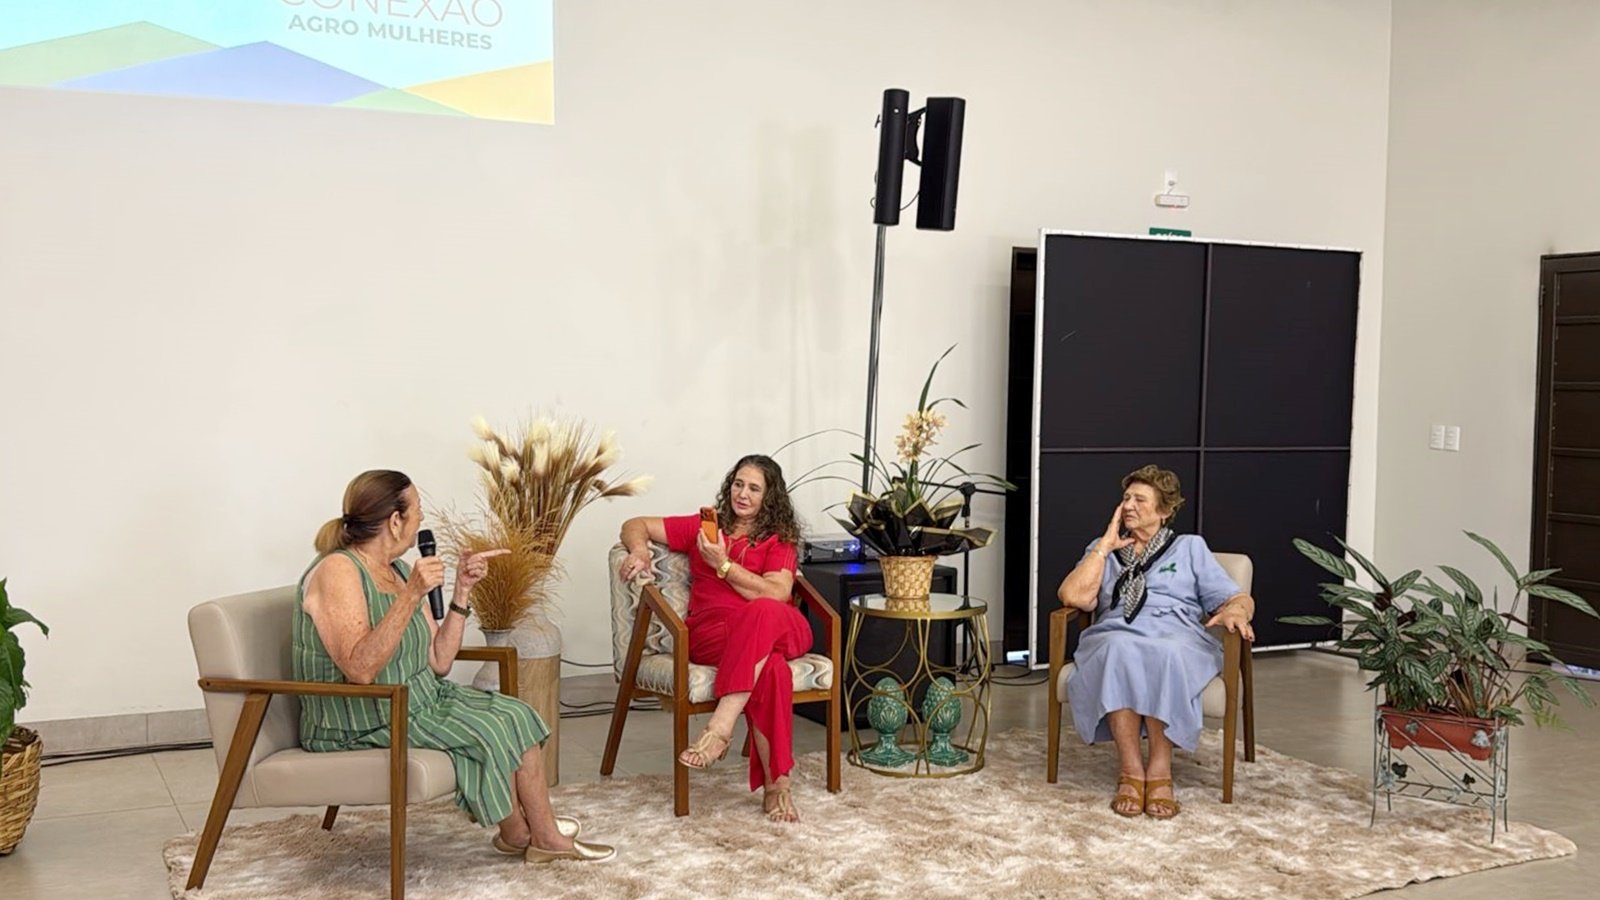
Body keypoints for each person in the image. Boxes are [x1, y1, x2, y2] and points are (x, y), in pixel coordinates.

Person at [294, 469, 614, 862]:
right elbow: (360, 670)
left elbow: (440, 660)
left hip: (416, 700)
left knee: (517, 714)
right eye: (417, 511)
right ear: (394, 521)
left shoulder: (396, 570)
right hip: (361, 717)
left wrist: (462, 591)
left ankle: (524, 834)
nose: (421, 520)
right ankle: (540, 838)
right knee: (489, 728)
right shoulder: (338, 570)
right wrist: (412, 595)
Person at [617, 454, 810, 823]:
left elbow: (777, 593)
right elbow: (634, 524)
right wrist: (640, 550)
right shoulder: (705, 529)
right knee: (771, 668)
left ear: (769, 497)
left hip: (776, 625)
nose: (743, 494)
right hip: (714, 636)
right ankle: (777, 787)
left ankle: (720, 728)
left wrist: (723, 564)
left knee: (763, 609)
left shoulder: (779, 540)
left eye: (754, 488)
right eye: (738, 484)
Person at [1055, 465, 1255, 819]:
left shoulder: (1190, 548)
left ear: (1164, 510)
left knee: (1165, 652)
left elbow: (1234, 597)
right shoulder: (1104, 549)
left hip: (1177, 634)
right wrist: (1104, 546)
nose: (1129, 506)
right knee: (1118, 649)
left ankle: (1160, 771)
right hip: (1116, 632)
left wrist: (1237, 611)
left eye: (1140, 500)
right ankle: (1131, 771)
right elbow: (1072, 596)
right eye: (1126, 498)